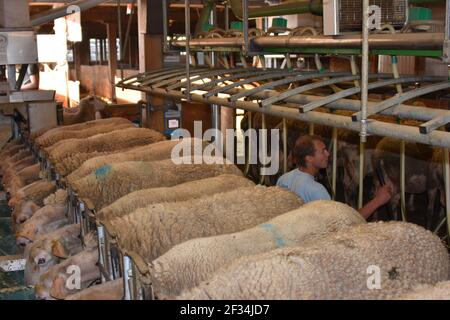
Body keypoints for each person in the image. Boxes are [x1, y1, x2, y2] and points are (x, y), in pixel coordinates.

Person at [276, 134, 393, 220]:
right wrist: (378, 201)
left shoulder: (284, 179)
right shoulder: (317, 190)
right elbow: (343, 225)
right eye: (323, 151)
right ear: (309, 158)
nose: (328, 154)